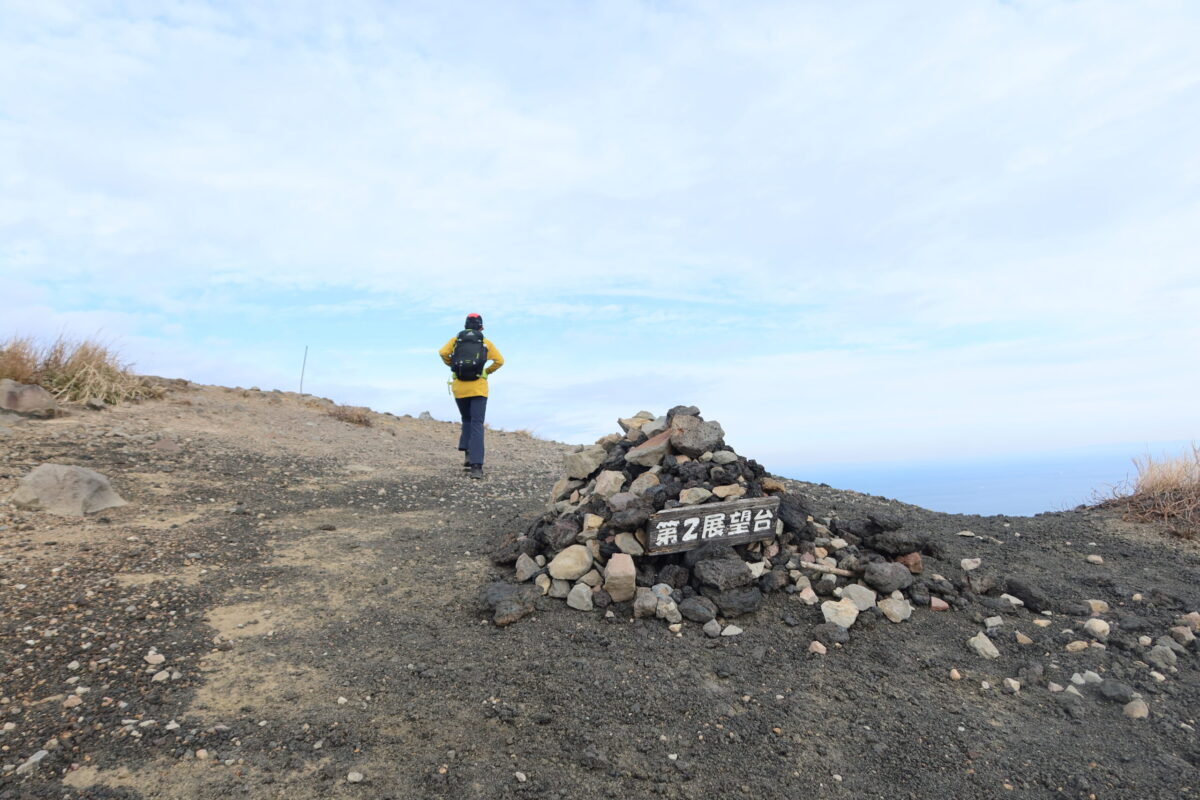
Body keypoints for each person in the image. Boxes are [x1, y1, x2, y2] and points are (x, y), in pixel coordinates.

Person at [439, 314, 504, 479]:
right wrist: (486, 372)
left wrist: (452, 365)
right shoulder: (485, 342)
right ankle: (476, 467)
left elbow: (442, 353)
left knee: (466, 419)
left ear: (466, 326)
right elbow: (500, 361)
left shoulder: (456, 340)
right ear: (481, 328)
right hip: (479, 389)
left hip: (459, 388)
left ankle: (467, 454)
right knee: (477, 423)